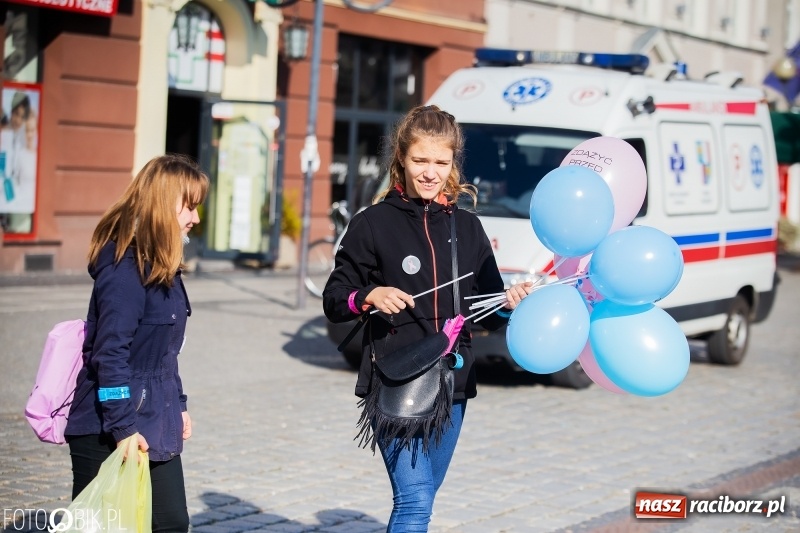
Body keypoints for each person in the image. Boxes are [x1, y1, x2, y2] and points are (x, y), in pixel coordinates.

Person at [323, 104, 533, 531]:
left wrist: (508, 303)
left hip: (453, 385)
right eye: (421, 160)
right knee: (415, 501)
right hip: (397, 380)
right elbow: (334, 298)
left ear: (453, 163)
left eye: (441, 162)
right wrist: (369, 295)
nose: (430, 172)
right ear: (401, 157)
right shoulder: (372, 224)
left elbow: (485, 311)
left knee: (422, 499)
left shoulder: (469, 228)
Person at [65, 154, 209, 533]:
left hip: (156, 419)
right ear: (163, 205)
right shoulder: (123, 269)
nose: (195, 218)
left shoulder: (165, 267)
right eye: (190, 206)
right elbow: (109, 355)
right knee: (105, 527)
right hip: (106, 426)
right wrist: (123, 428)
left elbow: (164, 354)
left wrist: (178, 406)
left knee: (171, 523)